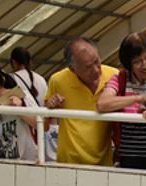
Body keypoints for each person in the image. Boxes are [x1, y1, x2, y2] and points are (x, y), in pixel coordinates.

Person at [97, 32, 146, 170]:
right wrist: (137, 98)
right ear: (129, 64)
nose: (145, 65)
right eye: (137, 61)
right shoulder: (120, 80)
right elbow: (102, 104)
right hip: (127, 156)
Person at [45, 38, 119, 166]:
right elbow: (45, 121)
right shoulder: (58, 81)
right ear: (72, 69)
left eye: (97, 61)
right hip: (69, 163)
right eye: (88, 67)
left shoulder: (114, 76)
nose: (96, 70)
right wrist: (50, 107)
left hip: (104, 164)